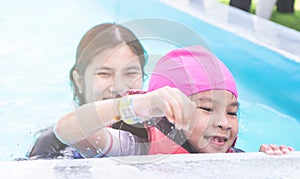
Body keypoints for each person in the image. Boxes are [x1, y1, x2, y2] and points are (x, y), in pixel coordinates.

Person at [54, 45, 294, 158]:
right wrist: (135, 106)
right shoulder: (138, 148)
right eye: (207, 108)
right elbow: (67, 131)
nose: (223, 122)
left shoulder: (232, 154)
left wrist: (262, 163)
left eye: (232, 112)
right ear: (171, 113)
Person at [27, 22, 149, 159]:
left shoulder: (158, 134)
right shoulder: (53, 145)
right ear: (79, 80)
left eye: (131, 73)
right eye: (105, 74)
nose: (119, 87)